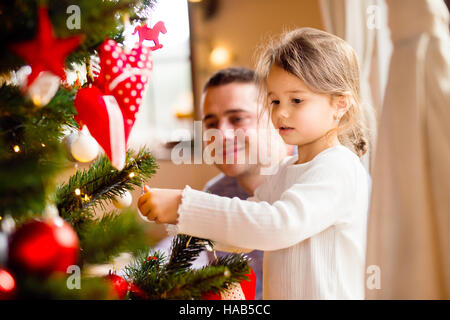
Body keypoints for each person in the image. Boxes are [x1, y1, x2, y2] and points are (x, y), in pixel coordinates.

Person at [138, 28, 372, 299]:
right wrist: (181, 221)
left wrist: (183, 204)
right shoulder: (284, 172)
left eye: (296, 100)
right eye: (274, 100)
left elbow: (277, 225)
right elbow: (246, 228)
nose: (281, 112)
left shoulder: (339, 167)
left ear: (339, 105)